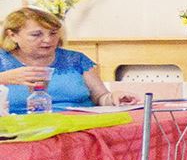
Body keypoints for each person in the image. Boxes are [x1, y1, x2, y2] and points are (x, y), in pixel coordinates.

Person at [0, 7, 139, 113]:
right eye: (36, 34)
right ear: (12, 35)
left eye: (53, 33)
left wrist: (114, 97)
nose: (48, 40)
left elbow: (101, 97)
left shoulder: (75, 59)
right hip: (20, 131)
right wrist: (3, 78)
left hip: (79, 127)